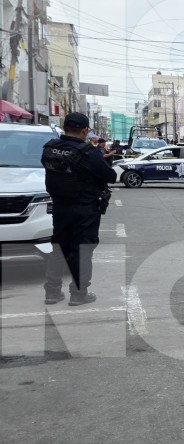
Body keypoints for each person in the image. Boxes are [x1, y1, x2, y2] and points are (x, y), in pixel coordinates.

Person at [41, 112, 117, 305]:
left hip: (60, 207)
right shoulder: (88, 153)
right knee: (82, 250)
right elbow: (110, 176)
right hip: (85, 209)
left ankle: (52, 292)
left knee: (59, 248)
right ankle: (78, 294)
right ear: (84, 131)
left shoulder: (50, 148)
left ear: (65, 127)